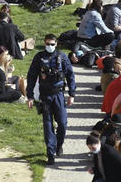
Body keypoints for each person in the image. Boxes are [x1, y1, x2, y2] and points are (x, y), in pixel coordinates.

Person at [26, 34, 76, 165]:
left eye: (52, 44)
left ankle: (59, 145)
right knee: (48, 126)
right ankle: (50, 153)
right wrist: (30, 96)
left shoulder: (62, 57)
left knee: (63, 123)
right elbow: (31, 76)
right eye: (48, 44)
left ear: (56, 44)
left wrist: (72, 94)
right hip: (45, 96)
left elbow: (70, 75)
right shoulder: (39, 58)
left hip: (59, 95)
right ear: (44, 43)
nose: (50, 46)